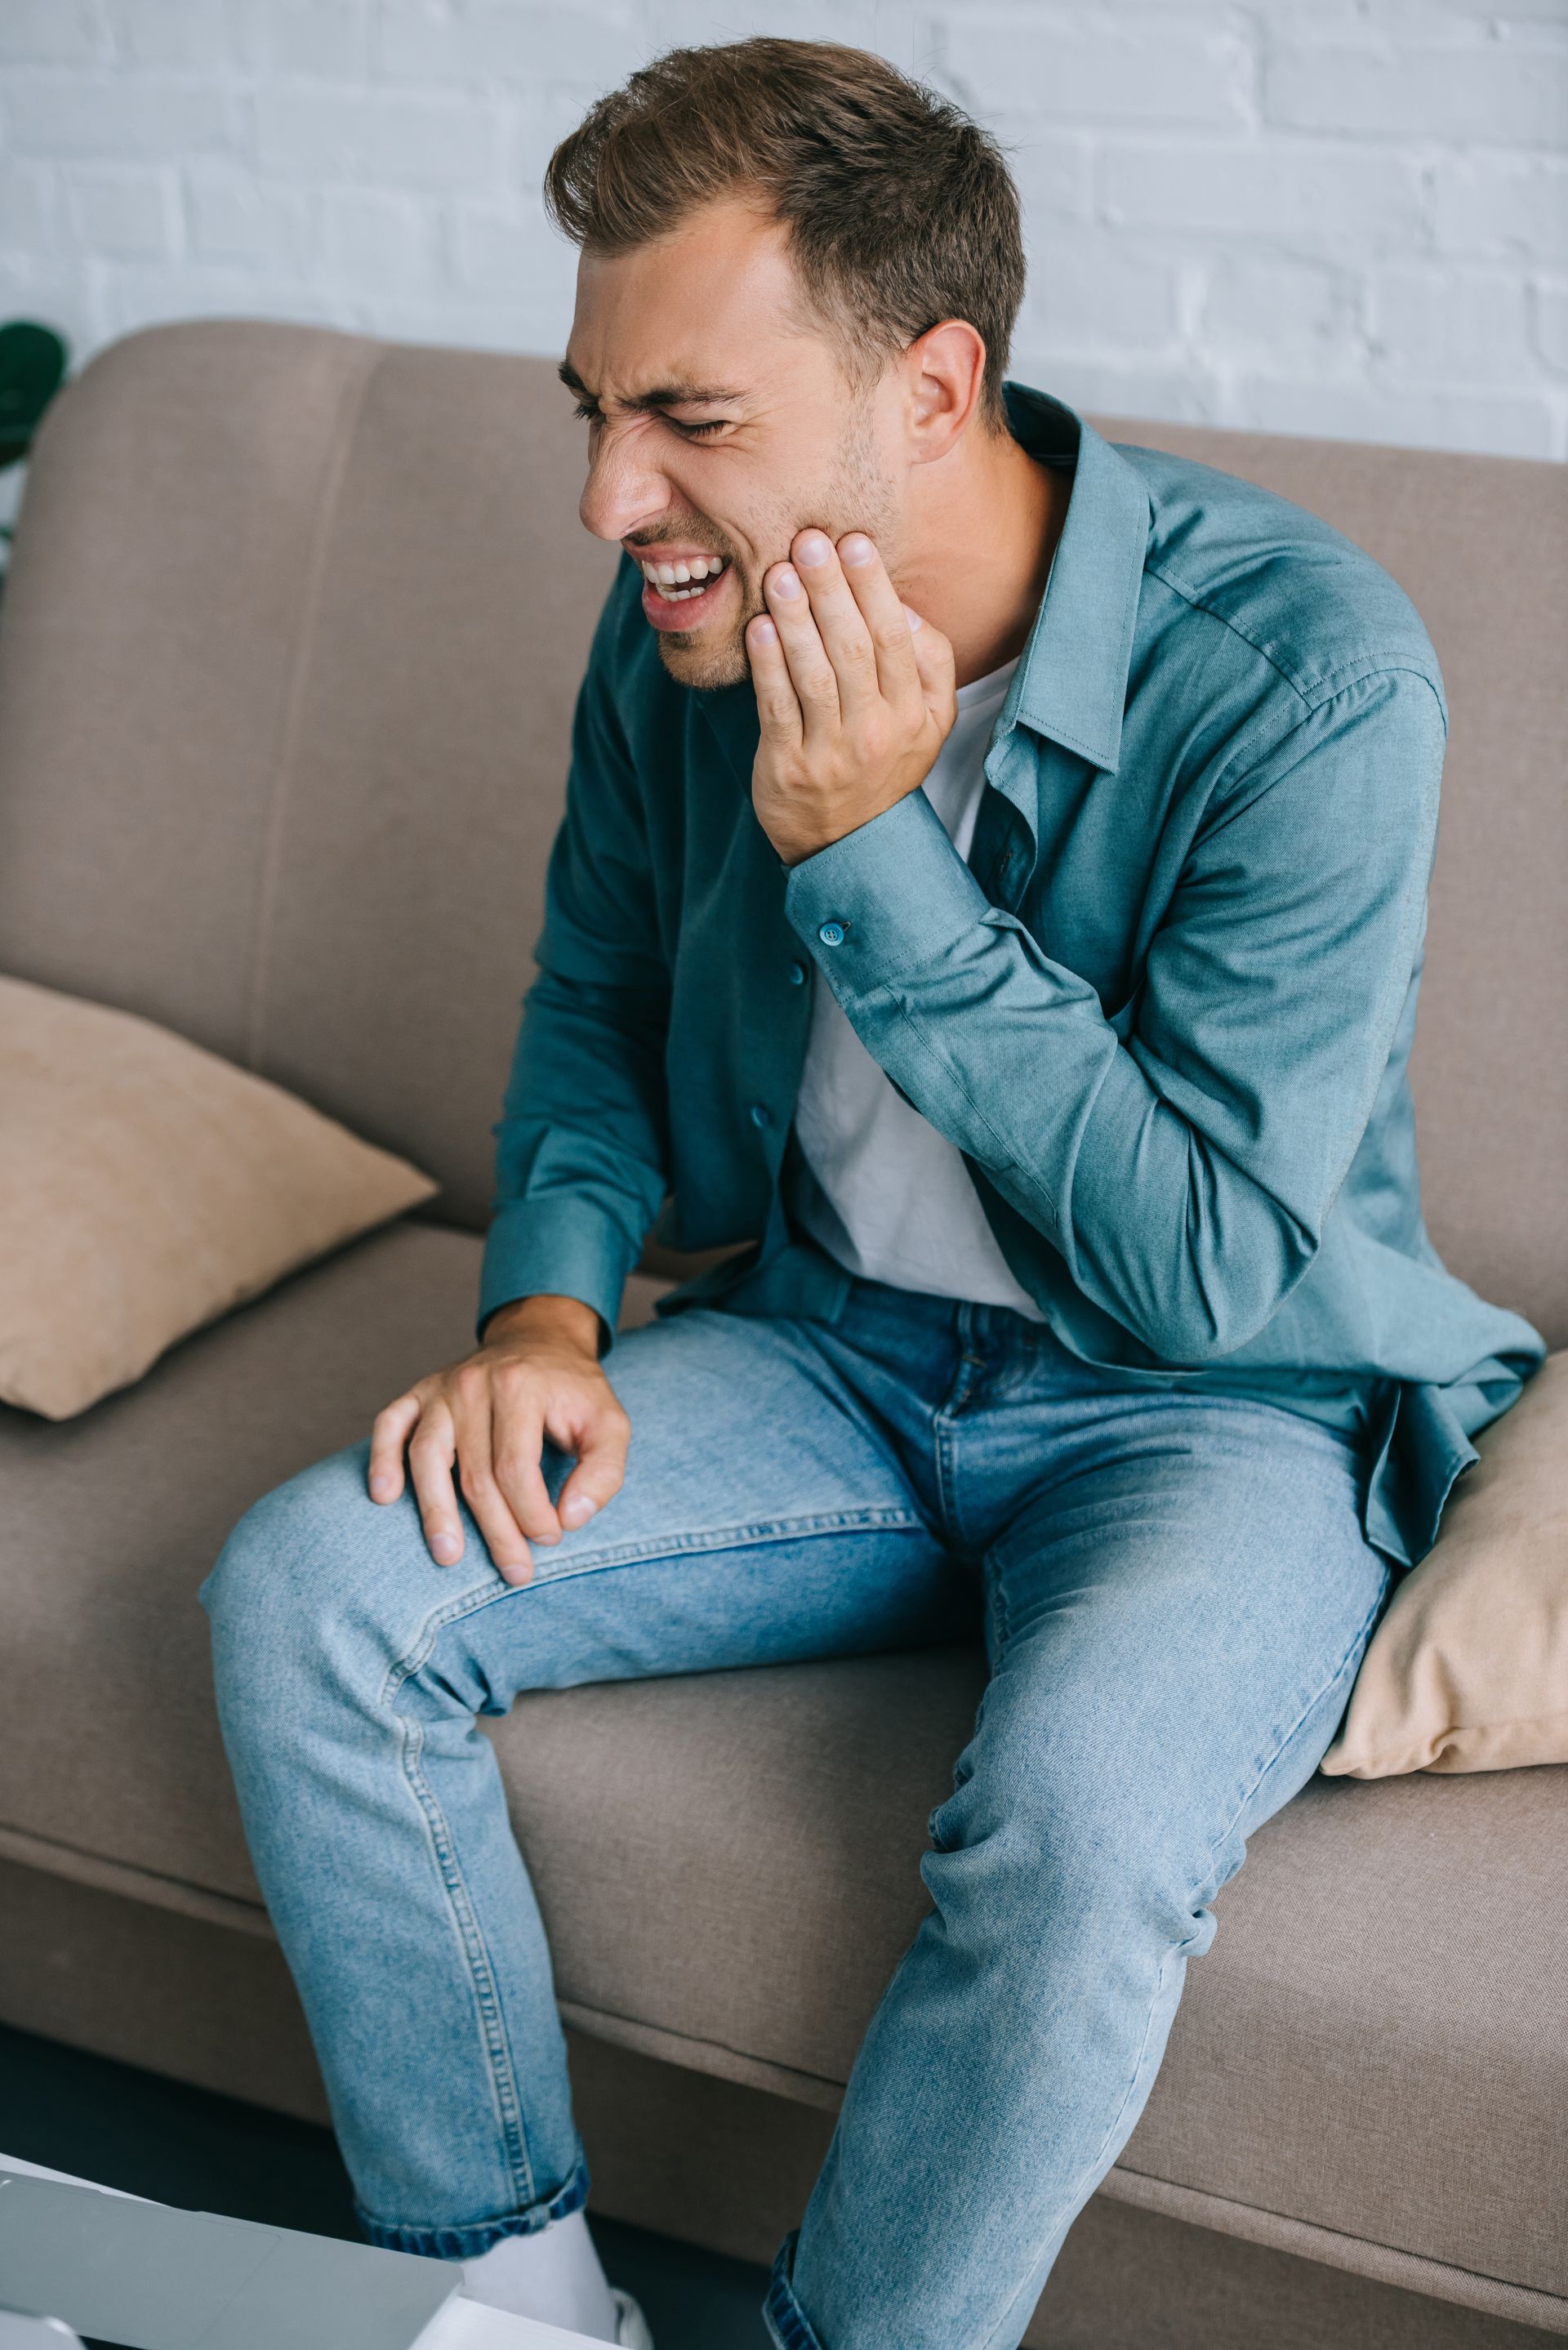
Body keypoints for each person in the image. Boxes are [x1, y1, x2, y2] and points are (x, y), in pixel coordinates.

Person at [199, 37, 1545, 2350]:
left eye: (691, 420)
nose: (610, 498)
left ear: (931, 388)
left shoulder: (1311, 677)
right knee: (309, 1589)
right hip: (824, 1363)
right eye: (591, 408)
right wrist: (545, 1318)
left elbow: (1212, 1270)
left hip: (1205, 1414)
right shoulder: (681, 619)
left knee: (1087, 1832)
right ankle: (512, 2305)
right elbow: (592, 1006)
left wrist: (874, 861)